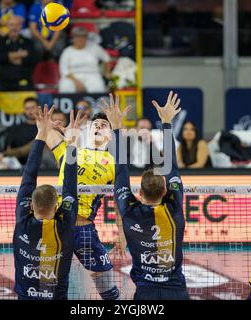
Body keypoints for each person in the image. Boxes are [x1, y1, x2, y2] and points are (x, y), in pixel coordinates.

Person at [110, 91, 190, 300]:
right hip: (177, 293)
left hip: (145, 293)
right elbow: (171, 165)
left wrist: (117, 130)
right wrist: (167, 123)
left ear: (139, 193)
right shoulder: (175, 208)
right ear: (166, 191)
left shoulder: (129, 211)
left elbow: (120, 172)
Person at [44, 96, 120, 300]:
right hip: (57, 228)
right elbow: (45, 132)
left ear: (110, 136)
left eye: (104, 125)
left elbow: (122, 201)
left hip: (84, 231)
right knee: (53, 287)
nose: (98, 126)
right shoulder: (71, 151)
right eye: (95, 124)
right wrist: (47, 125)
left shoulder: (114, 164)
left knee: (109, 292)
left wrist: (121, 235)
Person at [13, 105, 82, 300]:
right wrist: (71, 145)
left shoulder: (22, 221)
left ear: (31, 206)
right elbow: (70, 185)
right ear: (56, 206)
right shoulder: (65, 223)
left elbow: (28, 175)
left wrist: (41, 134)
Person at [58, 26, 111, 93]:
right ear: (73, 38)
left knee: (98, 88)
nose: (80, 39)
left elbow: (106, 58)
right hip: (73, 76)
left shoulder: (95, 48)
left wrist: (107, 73)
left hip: (93, 75)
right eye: (77, 36)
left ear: (86, 38)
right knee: (65, 87)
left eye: (83, 36)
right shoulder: (67, 51)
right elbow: (64, 70)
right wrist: (77, 82)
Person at [0, 15, 38, 91]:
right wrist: (20, 55)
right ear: (7, 26)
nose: (14, 28)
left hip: (23, 80)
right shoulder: (0, 42)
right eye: (11, 25)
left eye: (17, 25)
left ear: (21, 26)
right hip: (4, 82)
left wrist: (9, 57)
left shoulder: (28, 42)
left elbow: (32, 59)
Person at [0, 97, 38, 165]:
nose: (30, 111)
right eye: (27, 108)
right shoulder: (15, 129)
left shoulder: (45, 128)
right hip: (19, 165)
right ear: (24, 110)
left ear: (38, 108)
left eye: (33, 107)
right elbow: (9, 149)